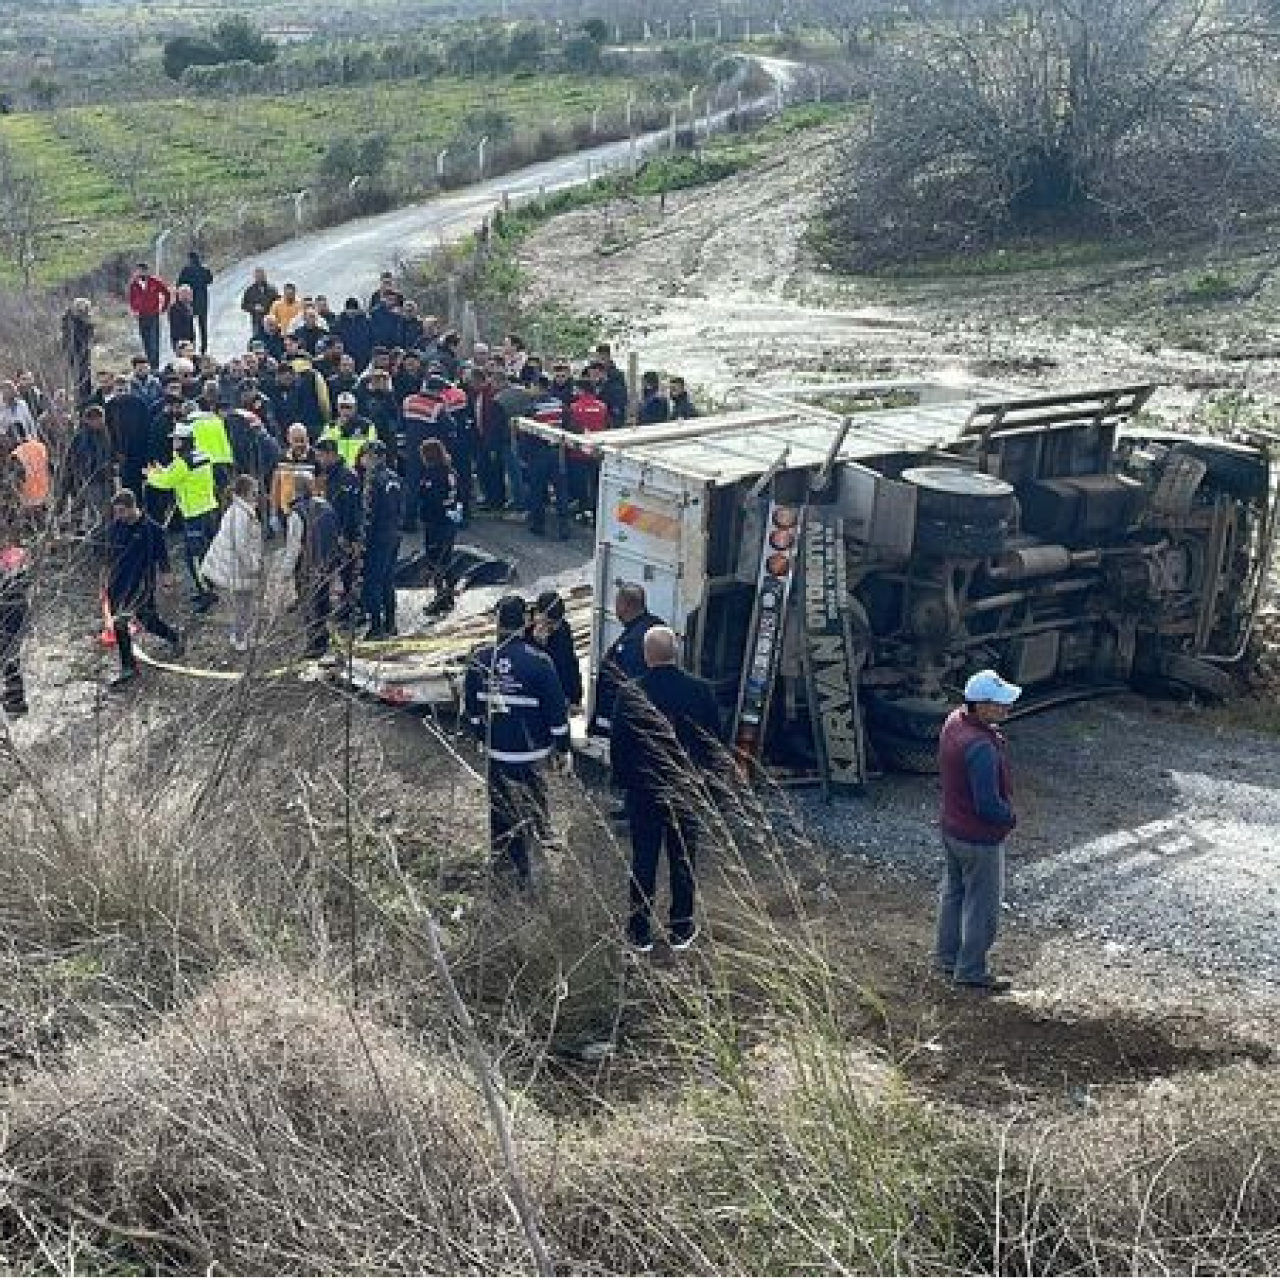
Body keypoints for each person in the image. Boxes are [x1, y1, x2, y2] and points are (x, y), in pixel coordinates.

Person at [610, 626, 724, 953]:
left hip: (644, 792)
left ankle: (639, 930)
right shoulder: (701, 691)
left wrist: (625, 784)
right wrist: (708, 784)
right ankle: (681, 928)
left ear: (647, 655)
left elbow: (619, 746)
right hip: (686, 788)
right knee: (683, 859)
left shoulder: (630, 693)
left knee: (644, 859)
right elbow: (713, 742)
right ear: (676, 653)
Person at [463, 593, 572, 888]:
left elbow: (471, 710)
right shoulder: (539, 662)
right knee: (532, 808)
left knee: (499, 811)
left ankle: (502, 863)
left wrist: (481, 736)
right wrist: (562, 748)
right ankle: (528, 865)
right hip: (531, 753)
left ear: (497, 622)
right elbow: (556, 712)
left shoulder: (480, 659)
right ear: (524, 621)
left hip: (497, 753)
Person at [935, 669, 1022, 994]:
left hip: (952, 827)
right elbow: (988, 804)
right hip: (978, 836)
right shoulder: (981, 747)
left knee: (954, 895)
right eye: (999, 705)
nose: (1005, 710)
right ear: (981, 705)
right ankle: (971, 971)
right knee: (982, 907)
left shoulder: (954, 722)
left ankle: (946, 958)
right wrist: (1008, 818)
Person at [103, 488, 183, 689]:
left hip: (141, 583)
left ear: (132, 508)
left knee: (148, 621)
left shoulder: (151, 529)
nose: (119, 516)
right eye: (116, 512)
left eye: (122, 511)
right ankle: (128, 667)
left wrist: (166, 578)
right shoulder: (115, 527)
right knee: (119, 625)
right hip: (118, 583)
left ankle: (174, 636)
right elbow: (108, 555)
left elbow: (162, 557)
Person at [144, 422, 219, 613]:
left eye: (176, 439)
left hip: (194, 514)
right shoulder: (201, 455)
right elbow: (177, 474)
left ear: (183, 441)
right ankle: (210, 586)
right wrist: (163, 471)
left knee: (193, 557)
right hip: (209, 509)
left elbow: (167, 482)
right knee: (206, 553)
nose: (173, 442)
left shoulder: (183, 462)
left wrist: (151, 475)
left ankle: (206, 593)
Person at [589, 583, 664, 737]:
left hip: (625, 727)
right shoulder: (657, 627)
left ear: (625, 606)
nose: (615, 609)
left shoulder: (632, 643)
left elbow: (630, 687)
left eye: (617, 603)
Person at [280, 472, 341, 659]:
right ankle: (324, 638)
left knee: (309, 606)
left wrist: (285, 572)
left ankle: (314, 646)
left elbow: (294, 546)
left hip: (307, 567)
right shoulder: (326, 506)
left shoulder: (297, 514)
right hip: (327, 563)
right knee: (323, 603)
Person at [200, 474, 264, 653]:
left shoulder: (240, 510)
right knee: (242, 605)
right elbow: (240, 545)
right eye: (254, 492)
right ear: (244, 493)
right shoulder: (241, 514)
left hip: (237, 565)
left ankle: (243, 635)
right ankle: (240, 638)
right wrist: (253, 566)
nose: (257, 495)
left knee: (244, 605)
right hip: (239, 568)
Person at [357, 439, 403, 639]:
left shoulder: (373, 480)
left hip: (378, 536)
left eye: (366, 456)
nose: (363, 460)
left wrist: (363, 539)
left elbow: (369, 513)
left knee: (373, 581)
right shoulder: (394, 477)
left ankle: (376, 626)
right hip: (394, 533)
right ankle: (391, 622)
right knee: (388, 580)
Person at [313, 438, 362, 613]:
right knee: (332, 571)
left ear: (330, 454)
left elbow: (351, 509)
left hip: (343, 533)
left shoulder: (346, 476)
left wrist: (348, 536)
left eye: (320, 456)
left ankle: (351, 609)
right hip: (333, 532)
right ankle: (342, 606)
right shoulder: (331, 475)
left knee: (347, 573)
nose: (319, 460)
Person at [418, 437, 460, 596]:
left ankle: (440, 593)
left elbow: (429, 497)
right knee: (446, 555)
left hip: (436, 520)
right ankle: (449, 587)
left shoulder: (432, 475)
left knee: (435, 558)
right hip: (450, 519)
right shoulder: (451, 472)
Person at [0, 490, 30, 716]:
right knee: (10, 655)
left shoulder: (10, 558)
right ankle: (15, 696)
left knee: (7, 655)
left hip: (10, 608)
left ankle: (16, 697)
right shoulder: (20, 553)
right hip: (18, 608)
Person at [529, 589, 582, 710]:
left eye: (557, 623)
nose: (554, 627)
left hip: (558, 693)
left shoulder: (563, 629)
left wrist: (575, 696)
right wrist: (537, 643)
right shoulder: (526, 631)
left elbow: (570, 663)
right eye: (549, 623)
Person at [128, 262, 171, 370]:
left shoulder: (154, 281)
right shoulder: (134, 284)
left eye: (142, 270)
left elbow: (166, 293)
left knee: (154, 342)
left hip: (153, 315)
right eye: (138, 270)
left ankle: (155, 366)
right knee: (145, 341)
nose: (139, 272)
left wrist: (164, 308)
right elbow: (131, 299)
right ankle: (148, 366)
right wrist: (134, 310)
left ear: (146, 271)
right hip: (141, 316)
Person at [319, 392, 377, 468]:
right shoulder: (330, 426)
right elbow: (323, 448)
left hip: (360, 468)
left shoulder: (367, 426)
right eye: (342, 407)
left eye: (348, 407)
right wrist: (340, 428)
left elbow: (372, 447)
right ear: (337, 408)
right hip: (338, 468)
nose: (345, 410)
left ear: (355, 407)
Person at [177, 251, 214, 353]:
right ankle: (204, 347)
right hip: (203, 300)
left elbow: (179, 283)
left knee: (189, 325)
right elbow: (210, 280)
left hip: (189, 300)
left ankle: (190, 346)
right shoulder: (204, 269)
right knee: (203, 325)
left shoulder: (186, 270)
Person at [61, 298, 95, 407]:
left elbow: (88, 339)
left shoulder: (88, 322)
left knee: (85, 379)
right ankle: (80, 402)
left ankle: (86, 401)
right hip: (74, 354)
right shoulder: (69, 321)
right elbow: (67, 338)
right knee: (77, 380)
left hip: (84, 355)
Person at [241, 268, 279, 341]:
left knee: (273, 339)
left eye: (262, 276)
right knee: (258, 340)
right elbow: (244, 305)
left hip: (271, 320)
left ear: (265, 276)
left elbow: (277, 302)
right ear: (255, 278)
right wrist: (254, 307)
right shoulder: (250, 290)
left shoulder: (272, 289)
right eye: (258, 277)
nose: (260, 278)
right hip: (257, 321)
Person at [168, 284, 197, 354]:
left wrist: (193, 339)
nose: (189, 296)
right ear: (180, 295)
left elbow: (191, 325)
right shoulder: (175, 308)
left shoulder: (188, 306)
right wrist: (180, 343)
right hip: (181, 341)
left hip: (189, 339)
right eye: (186, 294)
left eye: (189, 294)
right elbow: (175, 326)